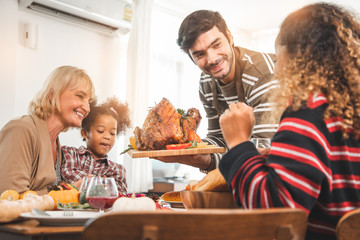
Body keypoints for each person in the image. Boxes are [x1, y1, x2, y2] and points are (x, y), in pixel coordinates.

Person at [218, 3, 360, 240]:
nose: (276, 68)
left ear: (295, 57)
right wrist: (276, 156)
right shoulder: (346, 109)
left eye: (278, 55)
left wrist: (239, 143)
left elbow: (276, 213)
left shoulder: (308, 112)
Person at [155, 10, 278, 173]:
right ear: (192, 58)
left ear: (229, 36)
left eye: (216, 45)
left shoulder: (261, 76)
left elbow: (266, 150)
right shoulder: (206, 82)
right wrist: (198, 156)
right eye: (200, 54)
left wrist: (209, 160)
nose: (212, 59)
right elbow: (219, 138)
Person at [0, 66, 95, 195]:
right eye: (80, 96)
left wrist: (72, 189)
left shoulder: (55, 142)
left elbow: (47, 193)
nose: (87, 108)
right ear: (52, 95)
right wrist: (69, 190)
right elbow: (11, 197)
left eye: (88, 101)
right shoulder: (21, 129)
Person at [61, 97, 131, 195]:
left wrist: (88, 181)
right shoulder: (70, 153)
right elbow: (68, 176)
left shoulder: (117, 170)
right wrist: (102, 181)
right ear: (85, 133)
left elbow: (119, 195)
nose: (107, 137)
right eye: (100, 131)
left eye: (112, 133)